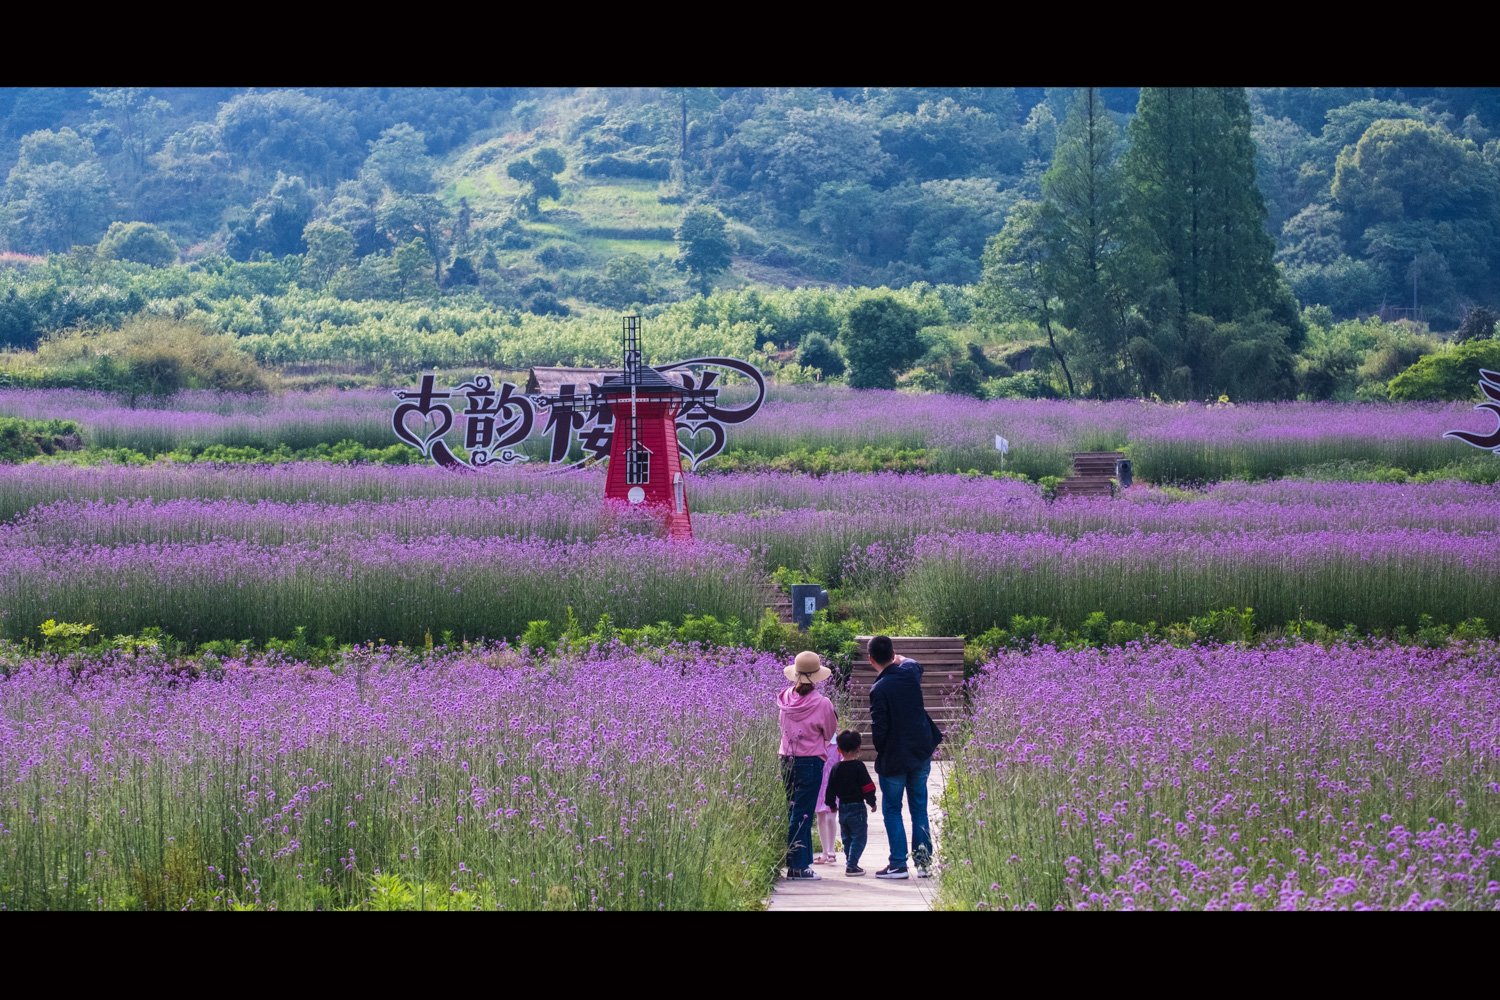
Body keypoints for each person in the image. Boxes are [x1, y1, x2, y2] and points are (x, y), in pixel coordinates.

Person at [867, 634, 942, 879]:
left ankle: (898, 864)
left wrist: (881, 750)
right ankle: (923, 864)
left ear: (870, 659)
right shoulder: (909, 674)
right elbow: (914, 663)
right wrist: (899, 658)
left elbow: (879, 729)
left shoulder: (879, 689)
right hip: (920, 751)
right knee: (919, 807)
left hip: (895, 757)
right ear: (893, 654)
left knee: (892, 809)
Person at [777, 650, 837, 881]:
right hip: (810, 760)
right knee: (803, 814)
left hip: (786, 758)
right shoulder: (822, 703)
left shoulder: (784, 698)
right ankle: (798, 866)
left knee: (793, 809)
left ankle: (800, 862)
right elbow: (829, 732)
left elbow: (782, 726)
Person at [823, 729, 878, 876]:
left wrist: (831, 804)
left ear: (839, 750)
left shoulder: (836, 768)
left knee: (846, 837)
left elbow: (830, 788)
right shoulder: (859, 767)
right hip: (857, 807)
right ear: (858, 749)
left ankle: (850, 861)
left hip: (843, 808)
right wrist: (872, 802)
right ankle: (852, 865)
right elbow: (867, 786)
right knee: (859, 837)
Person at [813, 733, 839, 865]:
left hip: (833, 787)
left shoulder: (837, 744)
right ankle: (824, 852)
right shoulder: (816, 742)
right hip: (818, 785)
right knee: (820, 817)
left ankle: (831, 850)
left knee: (830, 817)